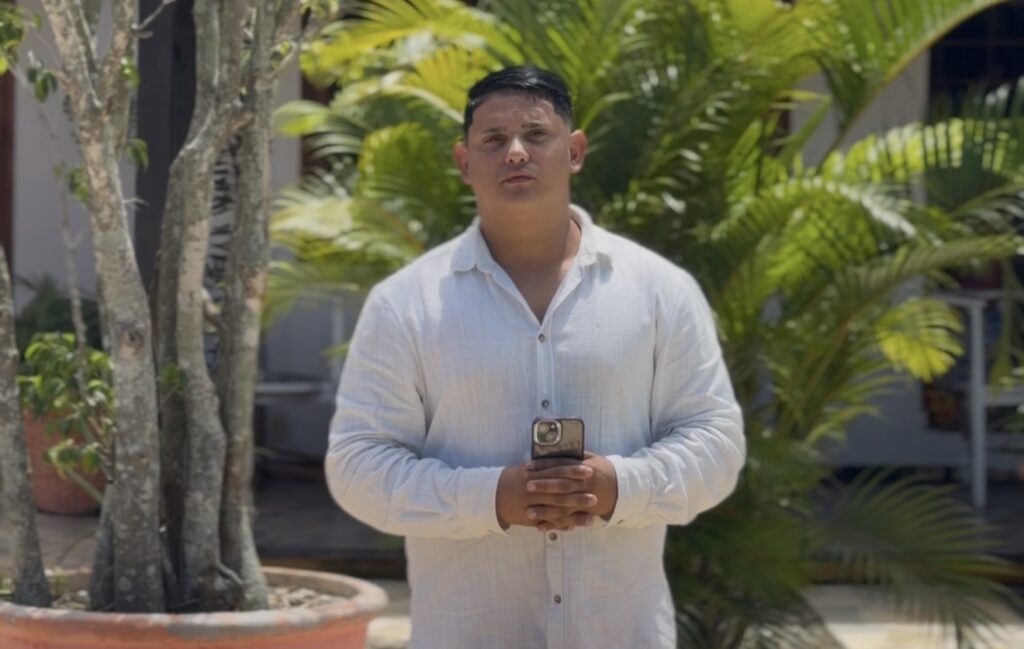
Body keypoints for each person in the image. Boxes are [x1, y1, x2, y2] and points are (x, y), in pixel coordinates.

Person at [325, 64, 746, 649]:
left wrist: (618, 487)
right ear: (464, 161)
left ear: (574, 151)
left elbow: (717, 444)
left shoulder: (659, 290)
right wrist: (493, 498)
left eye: (536, 134)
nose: (516, 152)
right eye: (493, 139)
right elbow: (357, 467)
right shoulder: (404, 303)